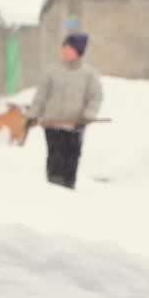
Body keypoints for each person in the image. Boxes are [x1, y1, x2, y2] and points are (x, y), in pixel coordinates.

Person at [27, 32, 103, 189]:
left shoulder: (88, 74)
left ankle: (68, 190)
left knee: (71, 159)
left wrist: (86, 118)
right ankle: (53, 190)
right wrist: (33, 115)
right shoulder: (52, 72)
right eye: (64, 48)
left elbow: (95, 97)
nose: (64, 51)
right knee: (55, 158)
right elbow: (41, 95)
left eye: (69, 48)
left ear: (78, 51)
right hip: (52, 124)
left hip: (75, 125)